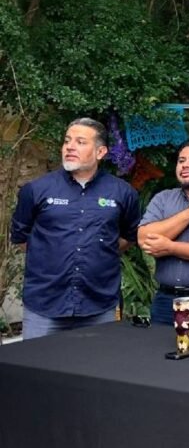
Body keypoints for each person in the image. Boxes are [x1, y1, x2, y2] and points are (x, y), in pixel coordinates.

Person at [11, 118, 141, 339]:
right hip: (45, 305)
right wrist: (52, 254)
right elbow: (22, 238)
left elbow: (129, 236)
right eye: (67, 141)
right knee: (37, 371)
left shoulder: (123, 193)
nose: (70, 147)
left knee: (95, 370)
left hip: (98, 305)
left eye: (80, 142)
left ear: (101, 152)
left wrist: (98, 252)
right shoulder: (36, 190)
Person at [138, 139, 189, 332]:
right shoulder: (164, 198)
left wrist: (170, 247)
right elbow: (144, 238)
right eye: (181, 160)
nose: (185, 165)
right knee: (159, 358)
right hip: (165, 301)